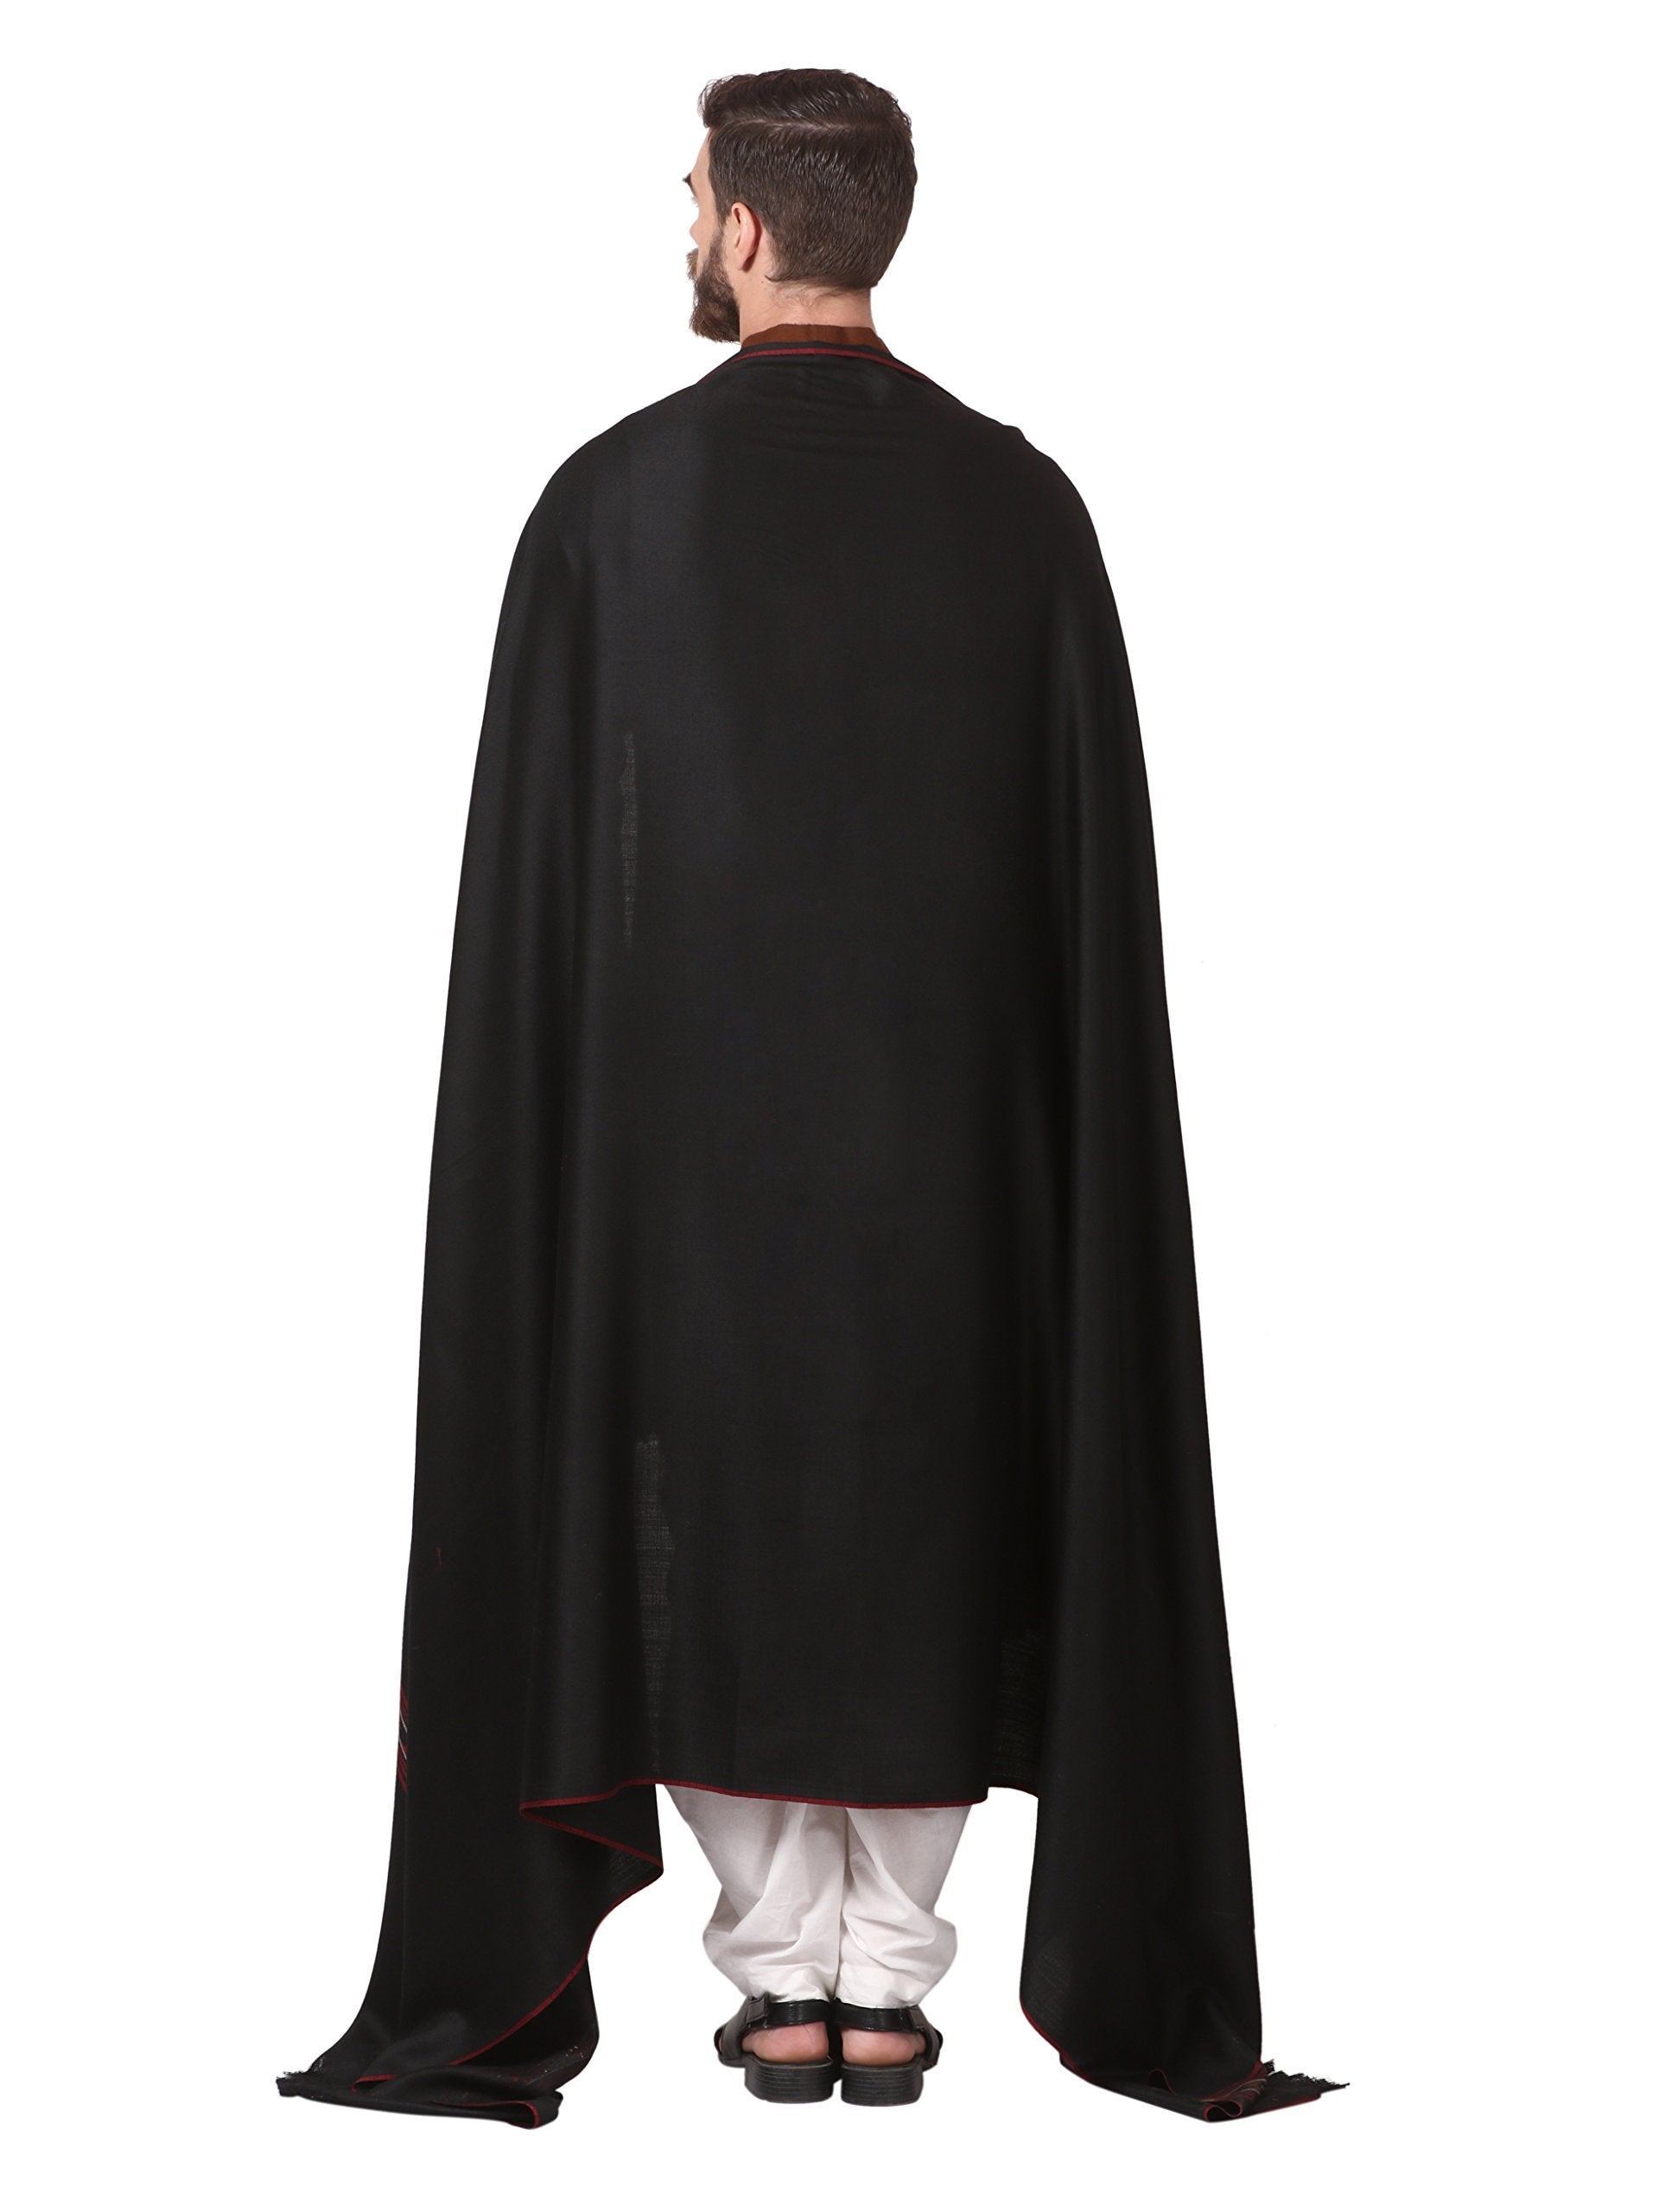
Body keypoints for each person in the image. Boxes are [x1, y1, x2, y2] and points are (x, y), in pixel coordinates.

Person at [278, 67, 1341, 2127]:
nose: (685, 227)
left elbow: (555, 882)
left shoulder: (613, 503)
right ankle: (883, 1977)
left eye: (692, 198)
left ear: (750, 230)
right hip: (961, 1151)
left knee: (715, 1507)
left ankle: (786, 1975)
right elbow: (1077, 886)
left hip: (682, 1153)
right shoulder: (1025, 508)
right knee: (934, 1504)